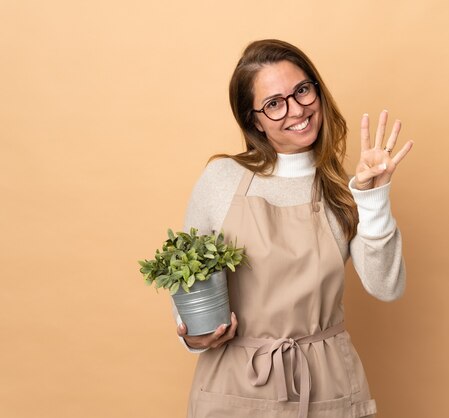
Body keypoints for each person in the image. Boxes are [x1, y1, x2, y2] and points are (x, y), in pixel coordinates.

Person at [172, 39, 413, 418]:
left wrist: (374, 197)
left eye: (302, 90)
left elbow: (386, 287)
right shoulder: (221, 180)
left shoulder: (345, 191)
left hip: (328, 384)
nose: (297, 110)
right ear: (254, 120)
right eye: (274, 103)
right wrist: (194, 334)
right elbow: (187, 278)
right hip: (235, 385)